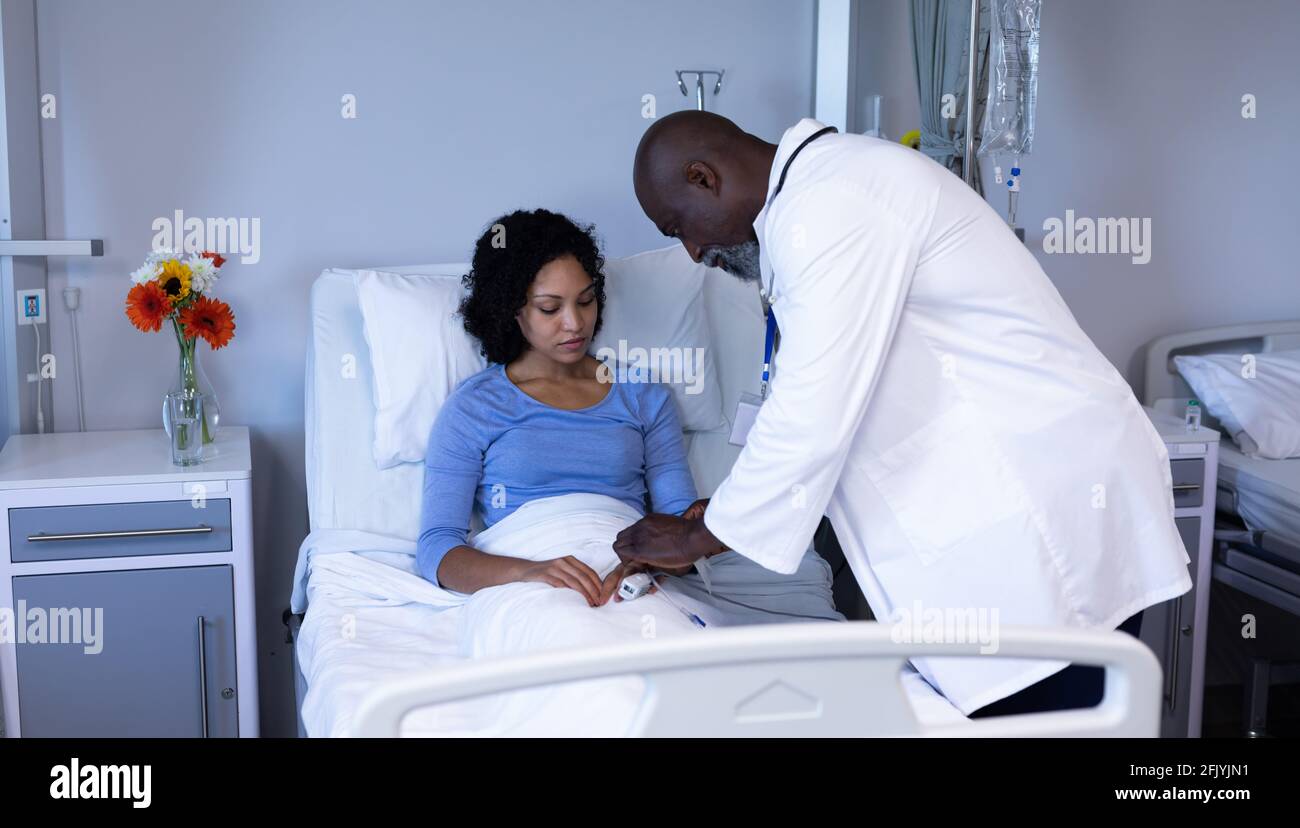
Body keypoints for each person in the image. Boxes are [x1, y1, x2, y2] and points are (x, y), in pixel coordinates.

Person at [613, 111, 1191, 716]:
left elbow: (811, 409)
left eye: (680, 227)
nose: (695, 250)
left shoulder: (832, 204)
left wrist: (696, 536)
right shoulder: (815, 202)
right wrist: (726, 514)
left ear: (704, 178)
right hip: (1009, 509)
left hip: (1042, 510)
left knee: (1053, 719)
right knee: (1051, 716)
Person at [417, 207, 841, 625]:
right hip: (530, 584)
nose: (575, 324)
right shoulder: (474, 409)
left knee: (661, 648)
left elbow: (677, 527)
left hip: (629, 580)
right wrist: (528, 572)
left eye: (585, 301)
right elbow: (438, 549)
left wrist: (649, 567)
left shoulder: (641, 394)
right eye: (550, 309)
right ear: (512, 310)